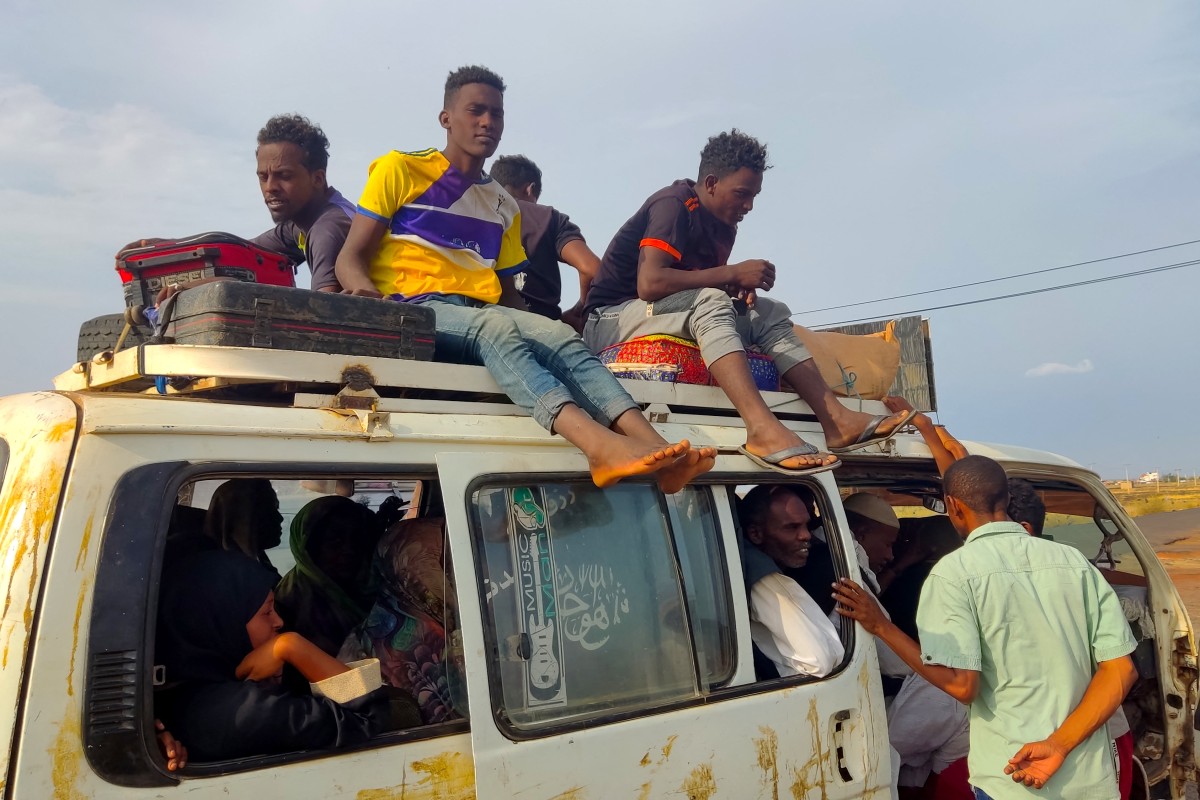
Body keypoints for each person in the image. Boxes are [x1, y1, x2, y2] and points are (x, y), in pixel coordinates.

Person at [333, 65, 714, 492]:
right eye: (476, 111)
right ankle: (598, 447)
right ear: (446, 118)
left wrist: (543, 328)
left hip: (480, 311)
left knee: (557, 336)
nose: (487, 123)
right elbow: (351, 258)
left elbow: (506, 294)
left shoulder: (502, 204)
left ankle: (656, 450)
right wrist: (364, 295)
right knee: (493, 326)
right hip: (414, 310)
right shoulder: (399, 169)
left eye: (496, 114)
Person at [582, 129, 916, 476]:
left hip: (666, 311)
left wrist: (735, 288)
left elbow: (696, 284)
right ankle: (761, 429)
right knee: (711, 302)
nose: (748, 206)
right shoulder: (674, 205)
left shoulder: (724, 223)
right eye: (741, 194)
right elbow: (651, 283)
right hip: (611, 318)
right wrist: (731, 273)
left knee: (768, 311)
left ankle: (837, 420)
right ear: (711, 182)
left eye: (754, 196)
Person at [833, 455, 1138, 797]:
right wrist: (1058, 745)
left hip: (1012, 779)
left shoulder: (953, 575)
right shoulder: (1074, 562)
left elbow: (963, 686)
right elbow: (1121, 671)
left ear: (952, 505)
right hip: (1089, 779)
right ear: (1006, 500)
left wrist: (881, 627)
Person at [154, 549, 412, 762]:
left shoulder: (170, 691)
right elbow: (369, 719)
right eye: (266, 613)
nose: (278, 621)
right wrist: (290, 646)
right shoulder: (245, 712)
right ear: (221, 621)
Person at [119, 114, 355, 295]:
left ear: (317, 178)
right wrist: (164, 247)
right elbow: (239, 253)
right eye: (263, 177)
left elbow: (326, 315)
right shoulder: (300, 223)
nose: (270, 187)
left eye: (284, 176)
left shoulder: (328, 229)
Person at [737, 485, 843, 679]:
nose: (806, 535)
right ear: (755, 534)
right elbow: (818, 661)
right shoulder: (762, 577)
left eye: (806, 525)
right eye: (792, 527)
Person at [488, 154, 602, 328]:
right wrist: (578, 312)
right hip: (544, 332)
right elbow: (591, 269)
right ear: (530, 189)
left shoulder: (474, 213)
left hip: (485, 327)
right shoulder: (549, 218)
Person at [275, 496, 385, 656]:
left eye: (356, 540)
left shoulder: (374, 587)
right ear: (309, 549)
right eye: (334, 541)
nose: (349, 550)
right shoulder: (290, 604)